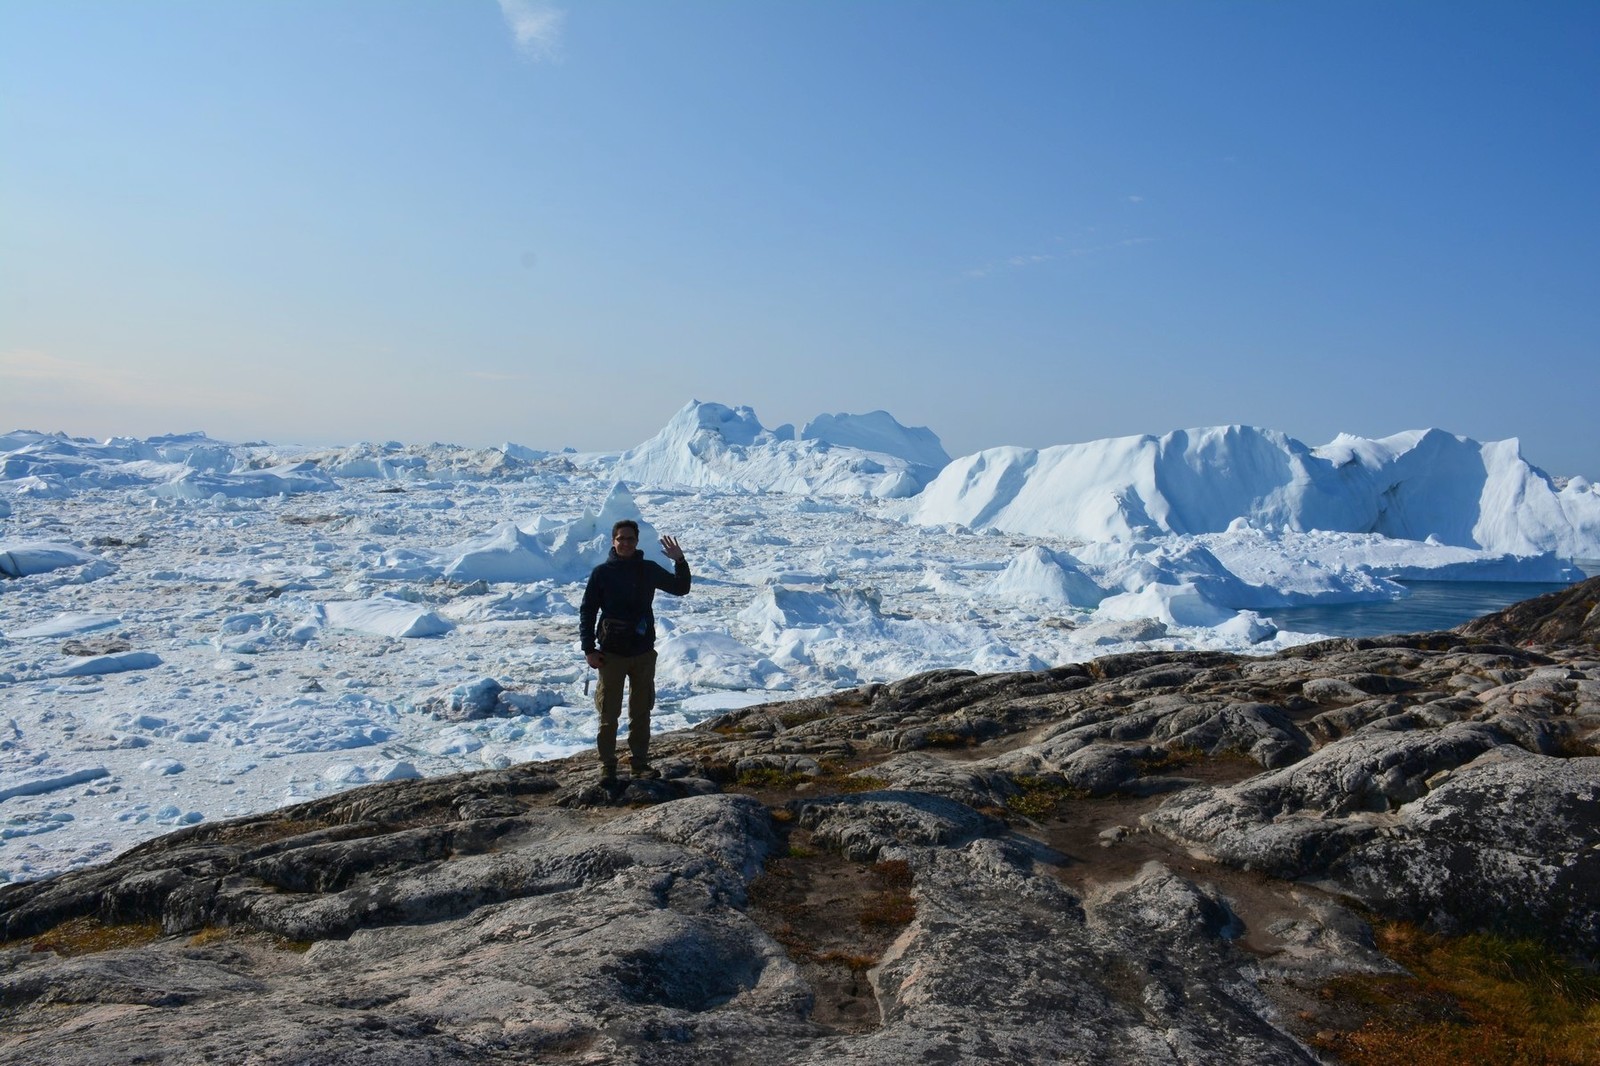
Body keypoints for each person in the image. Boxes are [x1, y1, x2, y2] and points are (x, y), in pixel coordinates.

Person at [579, 519, 691, 784]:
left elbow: (681, 588)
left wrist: (680, 561)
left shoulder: (648, 570)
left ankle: (639, 763)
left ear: (637, 542)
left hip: (642, 653)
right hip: (611, 655)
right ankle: (607, 765)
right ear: (613, 541)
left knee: (641, 711)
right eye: (621, 539)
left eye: (630, 539)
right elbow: (587, 611)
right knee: (608, 713)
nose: (626, 543)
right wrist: (588, 649)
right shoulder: (602, 573)